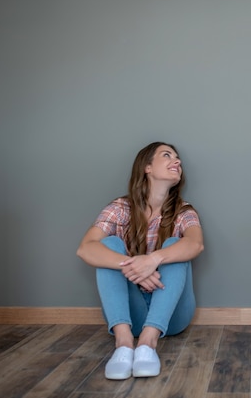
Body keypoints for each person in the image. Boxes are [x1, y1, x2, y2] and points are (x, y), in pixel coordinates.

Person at [77, 142, 204, 380]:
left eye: (178, 158)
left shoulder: (184, 211)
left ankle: (148, 343)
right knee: (108, 246)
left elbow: (196, 244)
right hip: (127, 314)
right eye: (167, 155)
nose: (177, 161)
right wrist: (135, 266)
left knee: (175, 245)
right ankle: (123, 344)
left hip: (173, 315)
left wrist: (153, 259)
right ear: (146, 167)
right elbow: (85, 249)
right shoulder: (120, 208)